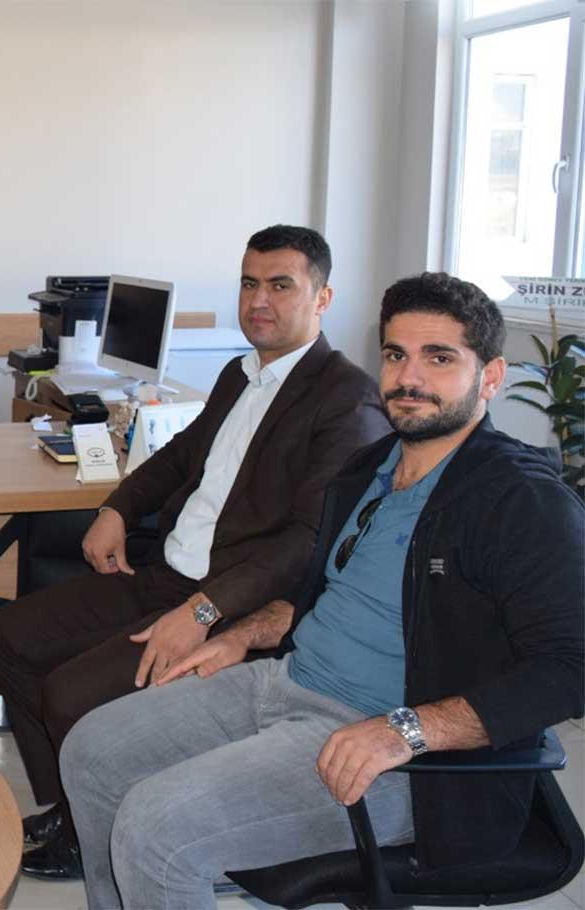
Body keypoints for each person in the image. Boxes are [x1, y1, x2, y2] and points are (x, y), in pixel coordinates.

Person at [60, 271, 585, 909]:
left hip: (397, 755)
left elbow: (569, 669)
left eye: (439, 358)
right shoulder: (369, 469)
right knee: (91, 751)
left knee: (155, 829)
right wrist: (241, 635)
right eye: (396, 355)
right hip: (286, 682)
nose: (409, 378)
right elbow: (331, 595)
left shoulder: (521, 501)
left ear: (491, 376)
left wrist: (404, 731)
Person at [0, 225, 390, 879]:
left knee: (70, 694)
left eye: (280, 285)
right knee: (9, 635)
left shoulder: (346, 399)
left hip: (232, 602)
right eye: (249, 284)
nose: (259, 300)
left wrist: (205, 610)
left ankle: (92, 832)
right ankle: (77, 814)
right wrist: (117, 508)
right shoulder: (239, 373)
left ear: (323, 298)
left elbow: (309, 541)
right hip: (165, 574)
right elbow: (179, 456)